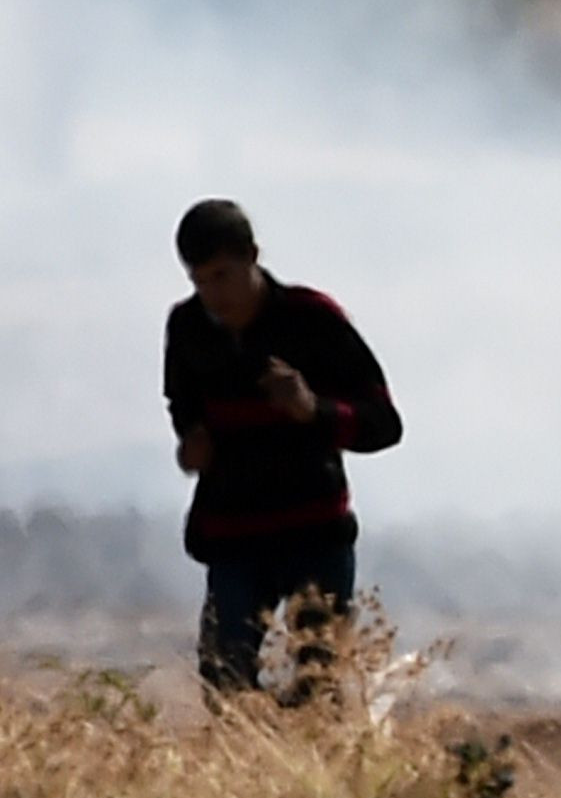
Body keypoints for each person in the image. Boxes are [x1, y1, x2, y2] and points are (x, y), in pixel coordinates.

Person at [162, 198, 403, 699]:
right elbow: (183, 409)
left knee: (321, 685)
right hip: (233, 534)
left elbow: (383, 423)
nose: (212, 294)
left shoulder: (312, 319)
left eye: (222, 276)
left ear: (252, 256)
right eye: (199, 281)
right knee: (226, 682)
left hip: (313, 533)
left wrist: (313, 410)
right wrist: (191, 446)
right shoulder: (187, 329)